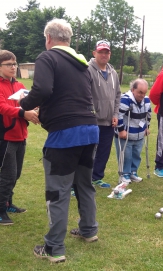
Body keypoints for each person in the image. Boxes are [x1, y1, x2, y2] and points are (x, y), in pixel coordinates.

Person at [19, 19, 99, 263]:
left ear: (48, 39)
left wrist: (22, 105)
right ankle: (88, 230)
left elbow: (42, 90)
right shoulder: (83, 64)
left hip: (66, 134)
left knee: (58, 191)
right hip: (90, 130)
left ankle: (53, 248)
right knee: (84, 184)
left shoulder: (48, 57)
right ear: (69, 40)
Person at [0, 50, 39, 225]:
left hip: (21, 135)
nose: (13, 67)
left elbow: (28, 103)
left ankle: (8, 203)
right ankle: (0, 210)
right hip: (6, 136)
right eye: (9, 64)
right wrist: (24, 112)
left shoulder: (19, 85)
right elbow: (3, 107)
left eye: (14, 64)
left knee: (16, 174)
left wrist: (35, 110)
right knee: (7, 175)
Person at [89, 40, 121, 188]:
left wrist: (115, 114)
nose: (103, 54)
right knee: (88, 152)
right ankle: (83, 180)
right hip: (92, 120)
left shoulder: (113, 72)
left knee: (104, 152)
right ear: (94, 53)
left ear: (110, 54)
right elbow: (85, 94)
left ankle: (97, 177)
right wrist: (92, 113)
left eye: (106, 52)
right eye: (100, 52)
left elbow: (117, 95)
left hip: (109, 121)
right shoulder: (88, 70)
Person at [114, 79, 151, 184]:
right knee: (125, 155)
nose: (142, 95)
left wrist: (147, 127)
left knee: (136, 154)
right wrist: (121, 130)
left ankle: (133, 172)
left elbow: (148, 115)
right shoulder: (125, 99)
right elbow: (119, 115)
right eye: (140, 92)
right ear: (133, 89)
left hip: (139, 134)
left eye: (144, 93)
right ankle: (124, 174)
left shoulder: (146, 100)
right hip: (125, 135)